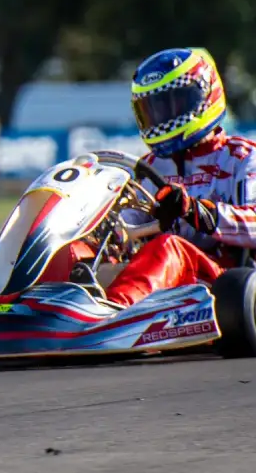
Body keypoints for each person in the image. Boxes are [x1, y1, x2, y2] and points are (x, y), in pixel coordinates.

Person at [90, 47, 256, 307]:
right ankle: (35, 309)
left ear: (203, 97)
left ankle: (111, 315)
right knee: (80, 251)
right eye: (152, 109)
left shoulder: (242, 157)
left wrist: (198, 212)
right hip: (164, 281)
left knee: (169, 246)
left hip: (224, 283)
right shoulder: (149, 168)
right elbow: (126, 225)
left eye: (172, 104)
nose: (160, 117)